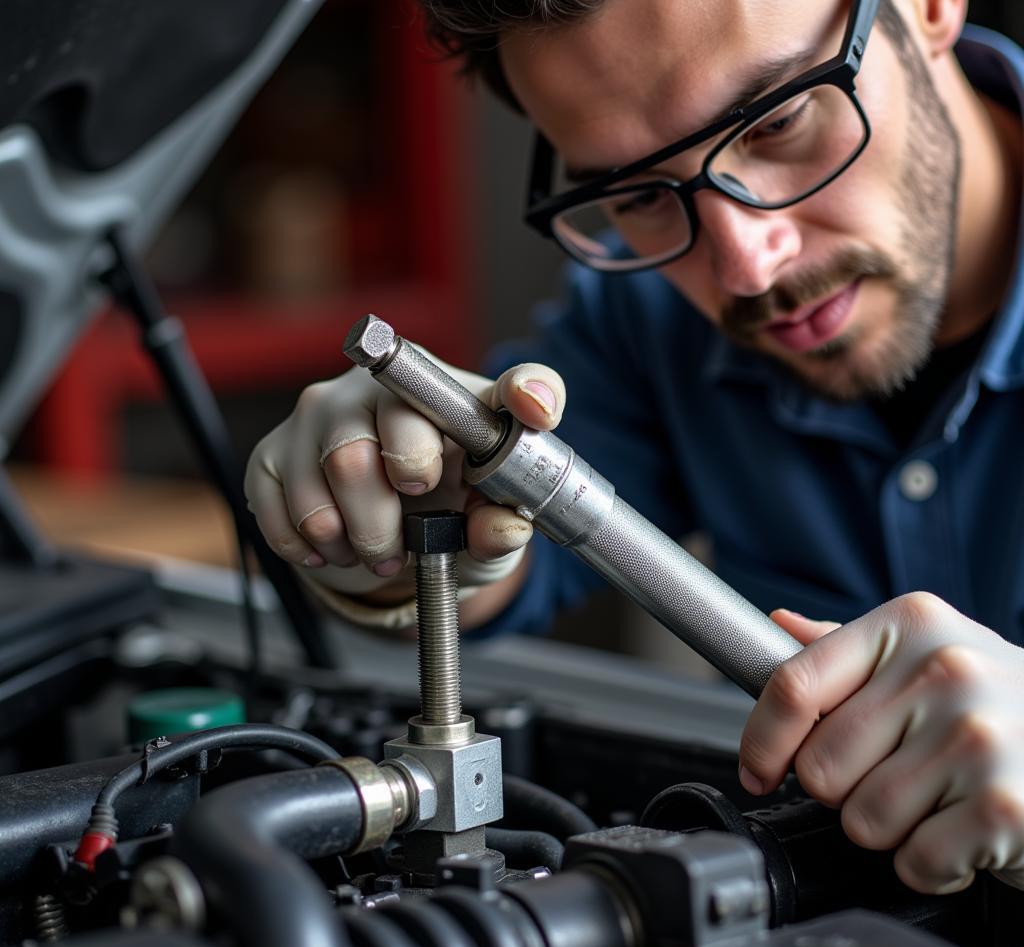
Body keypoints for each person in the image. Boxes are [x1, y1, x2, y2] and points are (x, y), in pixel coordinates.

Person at [245, 0, 1024, 896]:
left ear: (929, 10)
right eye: (643, 196)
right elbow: (493, 541)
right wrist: (383, 501)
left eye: (778, 121)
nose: (748, 267)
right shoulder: (645, 320)